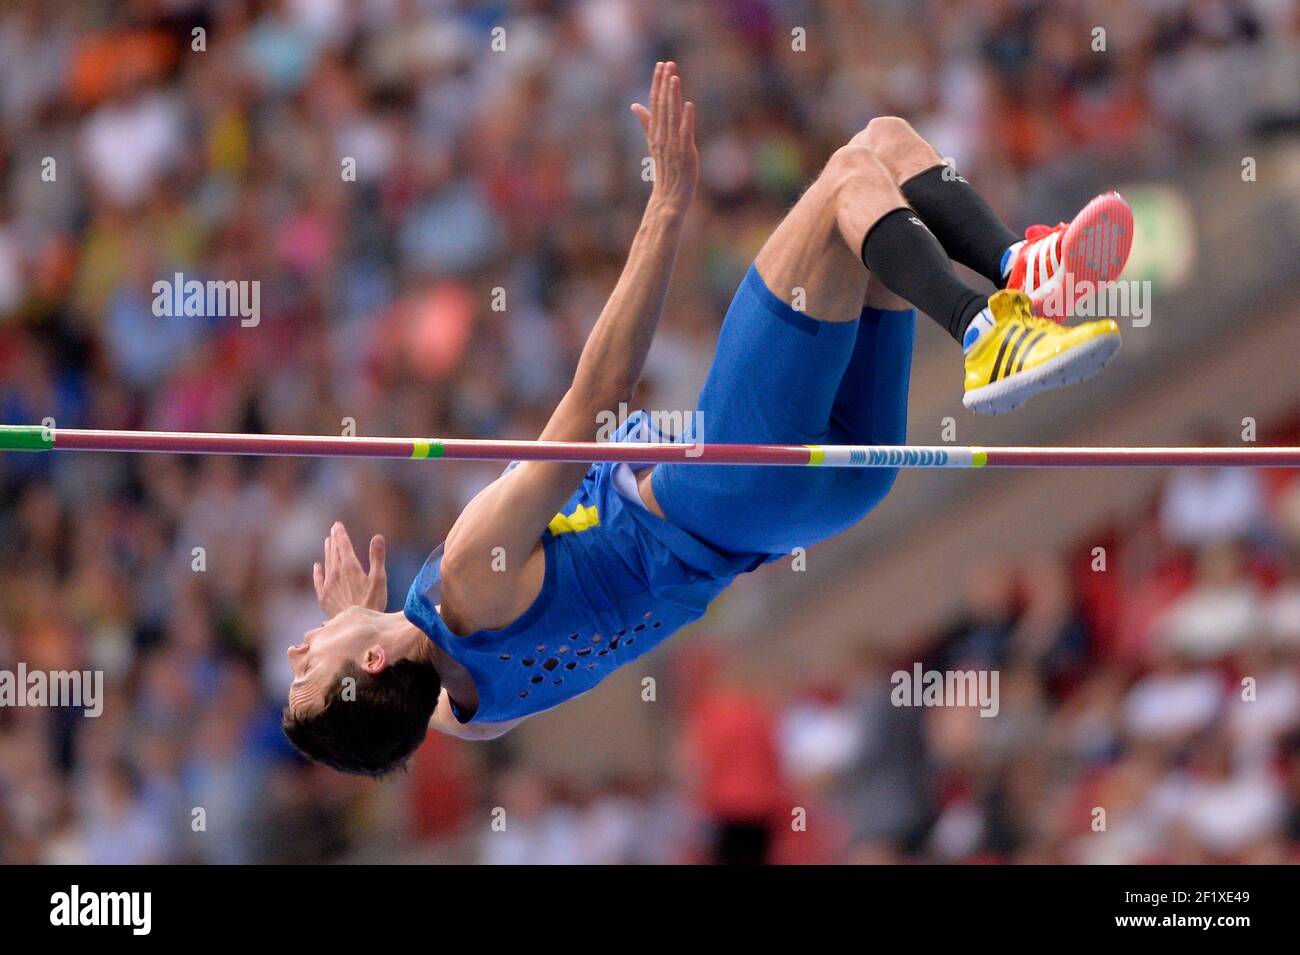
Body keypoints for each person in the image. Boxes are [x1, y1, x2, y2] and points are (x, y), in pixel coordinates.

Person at [282, 63, 1133, 775]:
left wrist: (367, 623)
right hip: (730, 480)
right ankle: (985, 331)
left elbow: (410, 714)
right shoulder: (466, 577)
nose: (295, 657)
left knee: (883, 146)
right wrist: (666, 208)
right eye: (305, 676)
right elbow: (598, 395)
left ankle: (1027, 267)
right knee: (844, 177)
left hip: (817, 502)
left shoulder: (475, 707)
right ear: (369, 663)